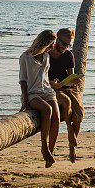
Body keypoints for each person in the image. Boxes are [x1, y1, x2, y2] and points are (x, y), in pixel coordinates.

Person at [19, 29, 61, 167]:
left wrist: (53, 84)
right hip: (33, 93)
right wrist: (25, 101)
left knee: (56, 117)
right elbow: (23, 80)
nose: (52, 47)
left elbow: (45, 77)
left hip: (47, 90)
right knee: (47, 109)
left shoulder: (47, 57)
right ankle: (44, 147)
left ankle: (51, 150)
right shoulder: (25, 57)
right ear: (44, 43)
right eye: (51, 45)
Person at [48, 27, 84, 163]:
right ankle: (69, 132)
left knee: (79, 112)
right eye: (64, 43)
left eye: (69, 45)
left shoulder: (68, 55)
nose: (65, 47)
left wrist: (74, 80)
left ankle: (72, 146)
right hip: (51, 87)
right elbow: (40, 76)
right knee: (64, 103)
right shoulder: (47, 54)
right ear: (57, 39)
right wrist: (53, 83)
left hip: (65, 87)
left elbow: (70, 75)